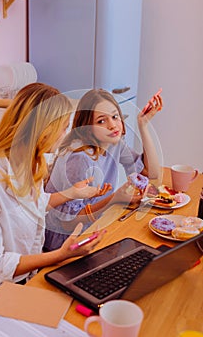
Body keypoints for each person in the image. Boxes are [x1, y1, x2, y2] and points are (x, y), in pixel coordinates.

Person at [0, 83, 107, 325]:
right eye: (63, 128)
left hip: (20, 281)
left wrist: (70, 193)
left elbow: (31, 205)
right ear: (42, 129)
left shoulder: (29, 161)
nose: (66, 134)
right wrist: (59, 255)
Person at [44, 88, 163, 251]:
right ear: (87, 127)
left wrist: (143, 125)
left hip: (96, 223)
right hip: (66, 239)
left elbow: (152, 173)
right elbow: (67, 223)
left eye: (115, 117)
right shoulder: (80, 158)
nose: (112, 125)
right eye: (101, 121)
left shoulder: (113, 143)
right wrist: (115, 199)